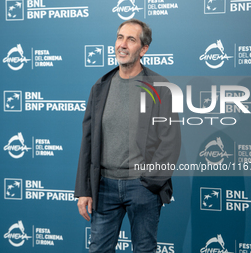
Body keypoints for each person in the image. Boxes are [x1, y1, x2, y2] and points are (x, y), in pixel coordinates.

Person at [75, 19, 181, 253]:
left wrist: (150, 183)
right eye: (120, 37)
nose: (122, 44)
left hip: (142, 188)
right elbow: (88, 140)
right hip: (104, 188)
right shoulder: (100, 87)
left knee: (144, 249)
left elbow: (170, 141)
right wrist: (85, 189)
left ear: (143, 49)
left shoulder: (159, 87)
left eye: (131, 39)